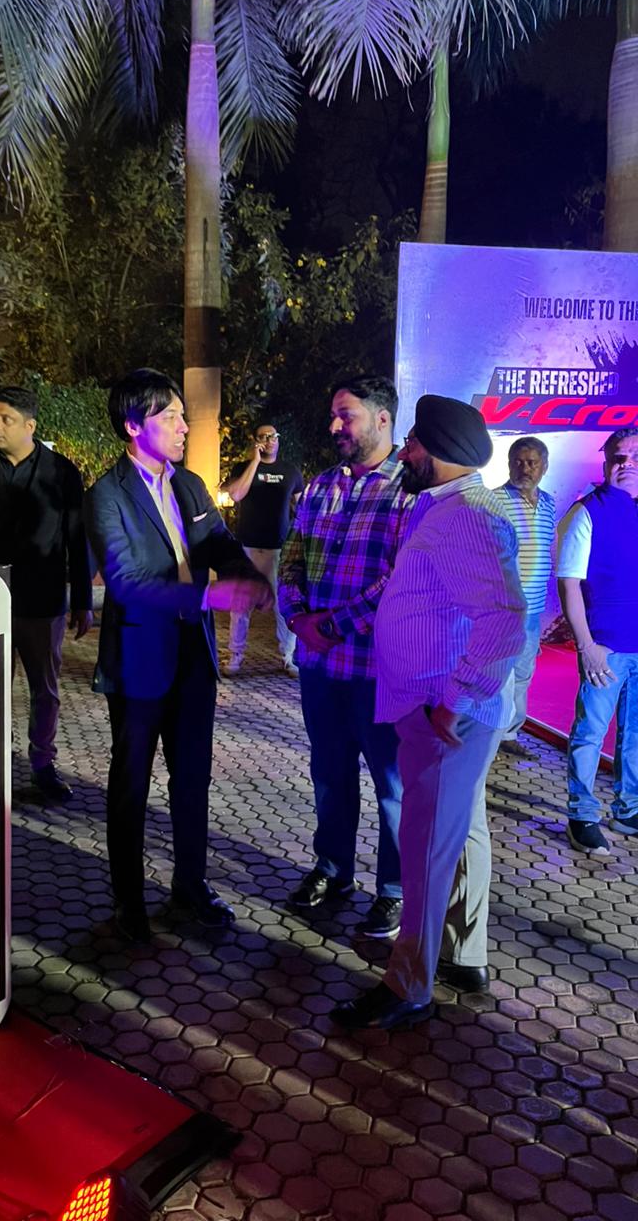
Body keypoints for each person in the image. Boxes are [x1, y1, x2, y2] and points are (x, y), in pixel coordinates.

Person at [332, 395, 525, 1031]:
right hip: (441, 707)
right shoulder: (443, 506)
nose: (405, 451)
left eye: (413, 441)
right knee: (457, 835)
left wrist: (455, 700)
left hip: (446, 714)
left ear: (438, 450)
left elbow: (505, 619)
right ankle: (462, 957)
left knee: (423, 849)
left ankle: (408, 985)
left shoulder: (467, 515)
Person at [85, 369, 273, 942]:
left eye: (182, 416)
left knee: (192, 779)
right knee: (131, 786)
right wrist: (210, 595)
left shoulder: (189, 485)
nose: (184, 426)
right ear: (132, 424)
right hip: (140, 660)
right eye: (170, 416)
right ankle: (129, 903)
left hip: (194, 654)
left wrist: (248, 577)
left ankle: (190, 886)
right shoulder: (106, 495)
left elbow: (219, 542)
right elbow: (125, 582)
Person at [278, 375, 414, 941]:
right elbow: (291, 557)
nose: (335, 425)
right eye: (334, 414)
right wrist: (296, 617)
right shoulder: (319, 487)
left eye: (346, 415)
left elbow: (400, 578)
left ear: (382, 418)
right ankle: (332, 869)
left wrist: (331, 625)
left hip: (379, 672)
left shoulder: (409, 491)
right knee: (329, 775)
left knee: (392, 787)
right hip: (321, 669)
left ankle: (394, 890)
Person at [0, 387, 93, 801]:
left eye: (5, 419)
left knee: (45, 689)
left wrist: (82, 599)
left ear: (30, 425)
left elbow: (77, 538)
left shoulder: (61, 472)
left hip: (42, 599)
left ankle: (43, 764)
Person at [556, 427, 638, 854]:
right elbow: (569, 583)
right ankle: (582, 814)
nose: (627, 464)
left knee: (635, 734)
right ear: (606, 463)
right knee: (590, 733)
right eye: (618, 457)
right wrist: (586, 647)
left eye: (635, 456)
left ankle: (628, 809)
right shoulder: (586, 512)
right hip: (604, 648)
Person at [221, 422, 303, 676]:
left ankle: (288, 657)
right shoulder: (243, 468)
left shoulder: (290, 471)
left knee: (283, 605)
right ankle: (235, 656)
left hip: (279, 550)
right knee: (241, 605)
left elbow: (301, 508)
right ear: (255, 440)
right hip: (247, 548)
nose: (270, 440)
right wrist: (254, 462)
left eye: (274, 436)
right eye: (264, 436)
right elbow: (235, 495)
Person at [495, 437, 557, 759]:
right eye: (518, 462)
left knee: (522, 675)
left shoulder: (549, 504)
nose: (525, 468)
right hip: (503, 610)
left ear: (544, 467)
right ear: (509, 464)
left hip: (533, 612)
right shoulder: (494, 501)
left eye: (532, 462)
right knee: (498, 677)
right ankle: (487, 738)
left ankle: (509, 734)